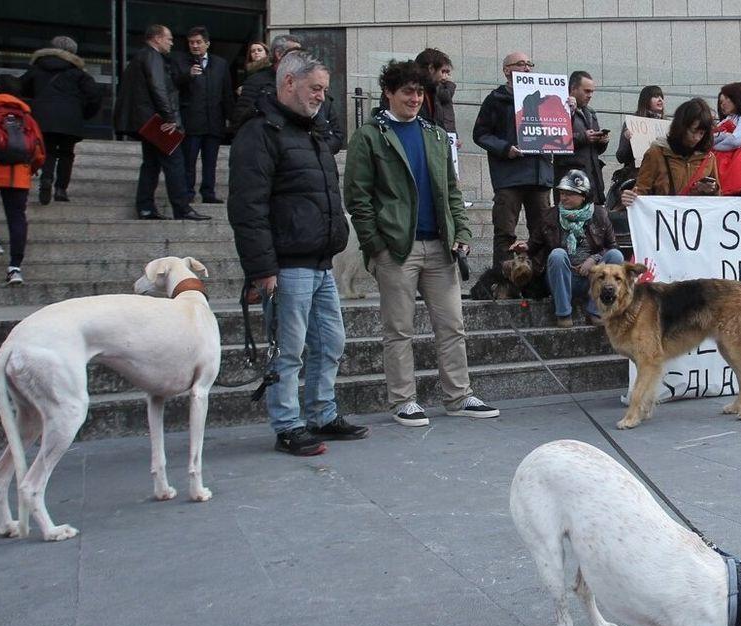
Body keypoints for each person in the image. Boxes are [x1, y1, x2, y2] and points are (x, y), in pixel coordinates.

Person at [229, 50, 369, 456]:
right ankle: (288, 424)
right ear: (288, 83)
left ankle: (322, 413)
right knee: (288, 349)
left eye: (324, 90)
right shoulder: (260, 133)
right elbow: (247, 207)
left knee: (331, 342)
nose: (321, 97)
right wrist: (262, 268)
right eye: (315, 88)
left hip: (320, 260)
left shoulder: (311, 132)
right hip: (286, 264)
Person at [346, 59, 499, 428]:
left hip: (441, 246)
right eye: (407, 92)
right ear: (389, 93)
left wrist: (461, 232)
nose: (414, 98)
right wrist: (376, 245)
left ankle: (459, 396)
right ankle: (402, 401)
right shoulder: (370, 135)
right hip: (397, 248)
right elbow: (357, 197)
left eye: (419, 92)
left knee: (452, 326)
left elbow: (450, 190)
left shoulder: (433, 135)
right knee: (398, 330)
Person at [113, 24, 210, 221]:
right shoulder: (152, 57)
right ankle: (182, 208)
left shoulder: (142, 57)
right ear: (157, 38)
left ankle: (146, 207)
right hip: (157, 121)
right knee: (175, 162)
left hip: (146, 120)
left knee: (151, 164)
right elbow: (158, 88)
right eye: (169, 38)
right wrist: (170, 118)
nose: (171, 42)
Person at [473, 51, 553, 270]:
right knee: (505, 232)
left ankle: (540, 279)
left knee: (543, 231)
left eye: (529, 64)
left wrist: (569, 109)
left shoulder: (545, 96)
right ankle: (502, 282)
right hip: (509, 177)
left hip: (540, 176)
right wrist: (505, 148)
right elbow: (480, 134)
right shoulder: (495, 100)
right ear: (506, 70)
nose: (527, 68)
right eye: (520, 64)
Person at [514, 169, 622, 328]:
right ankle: (563, 314)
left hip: (591, 279)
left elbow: (611, 247)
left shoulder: (600, 214)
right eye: (562, 193)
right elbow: (534, 245)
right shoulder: (550, 215)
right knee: (558, 254)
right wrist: (525, 246)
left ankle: (596, 311)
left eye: (569, 194)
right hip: (561, 278)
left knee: (616, 256)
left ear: (583, 196)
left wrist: (594, 259)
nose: (563, 197)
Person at [0, 74, 45, 285]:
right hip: (19, 175)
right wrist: (30, 168)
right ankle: (15, 268)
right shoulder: (27, 117)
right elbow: (39, 150)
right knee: (17, 218)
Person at [20, 35, 102, 205]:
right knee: (66, 153)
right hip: (70, 119)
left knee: (47, 150)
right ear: (73, 52)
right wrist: (84, 113)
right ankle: (61, 189)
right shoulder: (78, 73)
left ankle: (46, 178)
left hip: (43, 117)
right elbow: (95, 96)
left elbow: (21, 89)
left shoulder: (37, 68)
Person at [231, 34, 344, 153]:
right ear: (279, 54)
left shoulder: (312, 85)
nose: (301, 57)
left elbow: (334, 135)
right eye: (295, 52)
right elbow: (241, 121)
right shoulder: (257, 83)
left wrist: (316, 148)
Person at [620, 98, 720, 207]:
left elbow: (718, 199)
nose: (697, 138)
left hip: (695, 219)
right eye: (693, 131)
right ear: (681, 127)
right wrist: (629, 198)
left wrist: (712, 189)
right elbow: (641, 191)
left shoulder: (709, 158)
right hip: (663, 219)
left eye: (701, 133)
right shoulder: (656, 153)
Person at [175, 26, 233, 204]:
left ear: (207, 43)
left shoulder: (221, 64)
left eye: (198, 42)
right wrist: (188, 75)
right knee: (189, 162)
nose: (195, 45)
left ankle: (208, 193)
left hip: (214, 122)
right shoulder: (181, 61)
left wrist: (232, 118)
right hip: (191, 122)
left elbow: (227, 93)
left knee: (210, 162)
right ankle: (188, 193)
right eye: (191, 42)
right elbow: (173, 86)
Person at [553, 70, 608, 205]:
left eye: (592, 92)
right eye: (586, 91)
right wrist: (584, 137)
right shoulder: (558, 110)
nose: (590, 96)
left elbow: (596, 150)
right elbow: (554, 140)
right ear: (573, 89)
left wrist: (602, 141)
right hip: (570, 182)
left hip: (592, 180)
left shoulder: (590, 112)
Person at [614, 85, 664, 179]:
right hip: (638, 176)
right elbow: (620, 157)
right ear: (646, 100)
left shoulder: (667, 125)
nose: (660, 99)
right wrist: (627, 139)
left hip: (661, 176)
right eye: (655, 96)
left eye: (661, 97)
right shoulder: (633, 123)